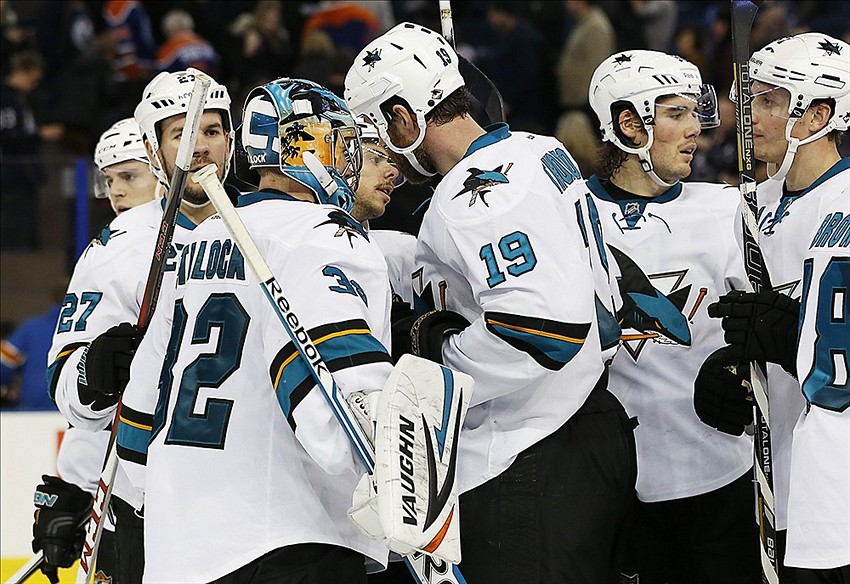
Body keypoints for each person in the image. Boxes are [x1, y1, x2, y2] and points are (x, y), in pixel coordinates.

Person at [345, 22, 636, 583]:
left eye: (377, 127)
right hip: (588, 424)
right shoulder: (540, 150)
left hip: (532, 448)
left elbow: (541, 330)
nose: (382, 150)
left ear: (404, 117)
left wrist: (435, 362)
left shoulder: (474, 193)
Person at [116, 77, 391, 583]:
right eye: (339, 142)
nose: (349, 160)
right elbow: (342, 424)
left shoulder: (193, 245)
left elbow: (134, 436)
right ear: (300, 148)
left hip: (177, 552)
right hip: (287, 541)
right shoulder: (323, 235)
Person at [41, 68, 234, 584]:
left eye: (211, 131)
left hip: (245, 499)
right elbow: (68, 388)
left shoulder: (264, 229)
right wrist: (95, 372)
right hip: (145, 498)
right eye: (182, 133)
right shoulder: (119, 247)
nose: (199, 146)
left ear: (231, 140)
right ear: (156, 148)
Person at [581, 50, 761, 582]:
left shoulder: (727, 209)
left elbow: (773, 324)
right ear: (629, 123)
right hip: (617, 488)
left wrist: (738, 362)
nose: (694, 132)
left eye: (694, 113)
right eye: (676, 114)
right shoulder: (566, 216)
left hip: (722, 474)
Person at [700, 32, 849, 580]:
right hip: (775, 480)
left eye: (769, 100)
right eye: (750, 97)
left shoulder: (846, 205)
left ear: (816, 116)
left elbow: (836, 365)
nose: (747, 114)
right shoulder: (752, 207)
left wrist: (793, 339)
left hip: (837, 494)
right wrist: (733, 375)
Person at [0, 281, 65, 410]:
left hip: (32, 413)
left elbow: (3, 366)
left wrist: (6, 392)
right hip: (80, 416)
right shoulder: (95, 330)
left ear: (53, 299)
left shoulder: (31, 329)